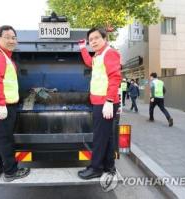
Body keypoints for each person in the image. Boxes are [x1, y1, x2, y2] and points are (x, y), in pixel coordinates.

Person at [0, 25, 30, 182]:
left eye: (13, 37)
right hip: (0, 106)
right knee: (5, 139)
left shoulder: (5, 56)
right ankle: (10, 172)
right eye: (7, 37)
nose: (11, 40)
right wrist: (1, 104)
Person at [77, 27, 122, 180]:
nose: (93, 41)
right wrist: (83, 48)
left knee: (99, 137)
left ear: (105, 38)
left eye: (96, 38)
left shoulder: (110, 53)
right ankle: (109, 166)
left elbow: (115, 78)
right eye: (91, 40)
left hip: (105, 102)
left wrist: (109, 101)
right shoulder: (98, 55)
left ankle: (95, 168)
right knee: (107, 136)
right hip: (102, 102)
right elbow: (90, 63)